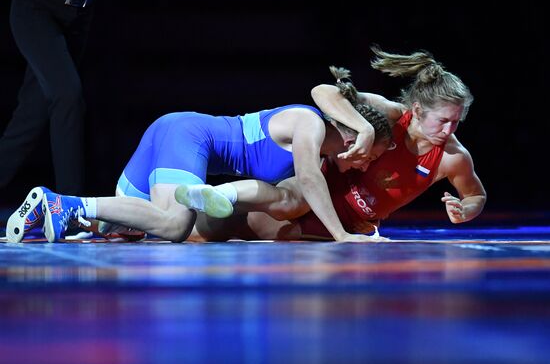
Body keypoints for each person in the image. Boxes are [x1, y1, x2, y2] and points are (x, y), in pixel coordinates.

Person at [8, 66, 392, 243]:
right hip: (188, 134)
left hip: (172, 131)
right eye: (368, 155)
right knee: (174, 225)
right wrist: (342, 236)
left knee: (126, 229)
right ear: (352, 137)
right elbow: (308, 181)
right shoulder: (311, 127)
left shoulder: (320, 145)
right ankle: (62, 202)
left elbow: (285, 201)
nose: (366, 164)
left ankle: (51, 215)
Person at [182, 46, 487, 242]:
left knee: (225, 231)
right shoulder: (392, 115)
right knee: (236, 218)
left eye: (456, 122)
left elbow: (475, 194)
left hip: (351, 227)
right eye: (443, 121)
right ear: (418, 110)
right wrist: (365, 128)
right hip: (312, 192)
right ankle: (167, 214)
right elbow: (324, 91)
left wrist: (466, 209)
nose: (449, 130)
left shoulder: (453, 157)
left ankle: (163, 220)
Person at [0, 0, 97, 239]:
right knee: (67, 96)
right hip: (36, 7)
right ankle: (69, 209)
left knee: (30, 117)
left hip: (79, 13)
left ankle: (69, 208)